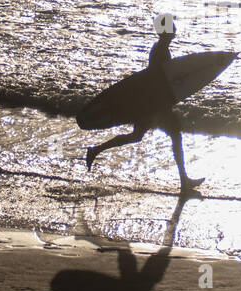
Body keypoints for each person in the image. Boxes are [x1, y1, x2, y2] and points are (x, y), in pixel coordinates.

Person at [84, 16, 205, 193]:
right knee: (175, 137)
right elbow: (160, 80)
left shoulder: (160, 49)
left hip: (151, 103)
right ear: (165, 32)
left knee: (137, 137)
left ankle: (95, 150)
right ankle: (184, 181)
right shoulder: (161, 51)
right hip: (155, 106)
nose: (175, 30)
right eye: (172, 27)